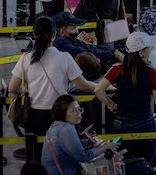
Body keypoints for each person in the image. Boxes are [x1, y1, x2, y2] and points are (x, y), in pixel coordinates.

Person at [9, 16, 98, 161]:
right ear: (54, 35)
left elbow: (12, 87)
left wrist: (24, 91)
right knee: (60, 157)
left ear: (34, 35)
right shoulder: (64, 57)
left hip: (34, 116)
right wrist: (106, 87)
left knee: (38, 157)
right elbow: (84, 85)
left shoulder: (25, 58)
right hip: (59, 115)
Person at [95, 32, 156, 165]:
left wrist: (111, 105)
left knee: (120, 164)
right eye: (149, 47)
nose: (151, 49)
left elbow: (98, 89)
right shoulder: (154, 73)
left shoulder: (116, 69)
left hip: (120, 126)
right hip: (145, 125)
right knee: (147, 164)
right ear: (141, 53)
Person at [41, 94, 114, 175]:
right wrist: (102, 148)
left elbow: (69, 146)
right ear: (62, 113)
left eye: (79, 109)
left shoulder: (57, 125)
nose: (78, 114)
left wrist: (91, 144)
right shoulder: (66, 129)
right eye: (73, 111)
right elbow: (83, 156)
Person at [52, 12, 118, 65]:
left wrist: (112, 50)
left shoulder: (69, 39)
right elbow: (85, 53)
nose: (76, 31)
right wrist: (111, 54)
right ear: (62, 31)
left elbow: (88, 47)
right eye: (73, 28)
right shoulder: (60, 43)